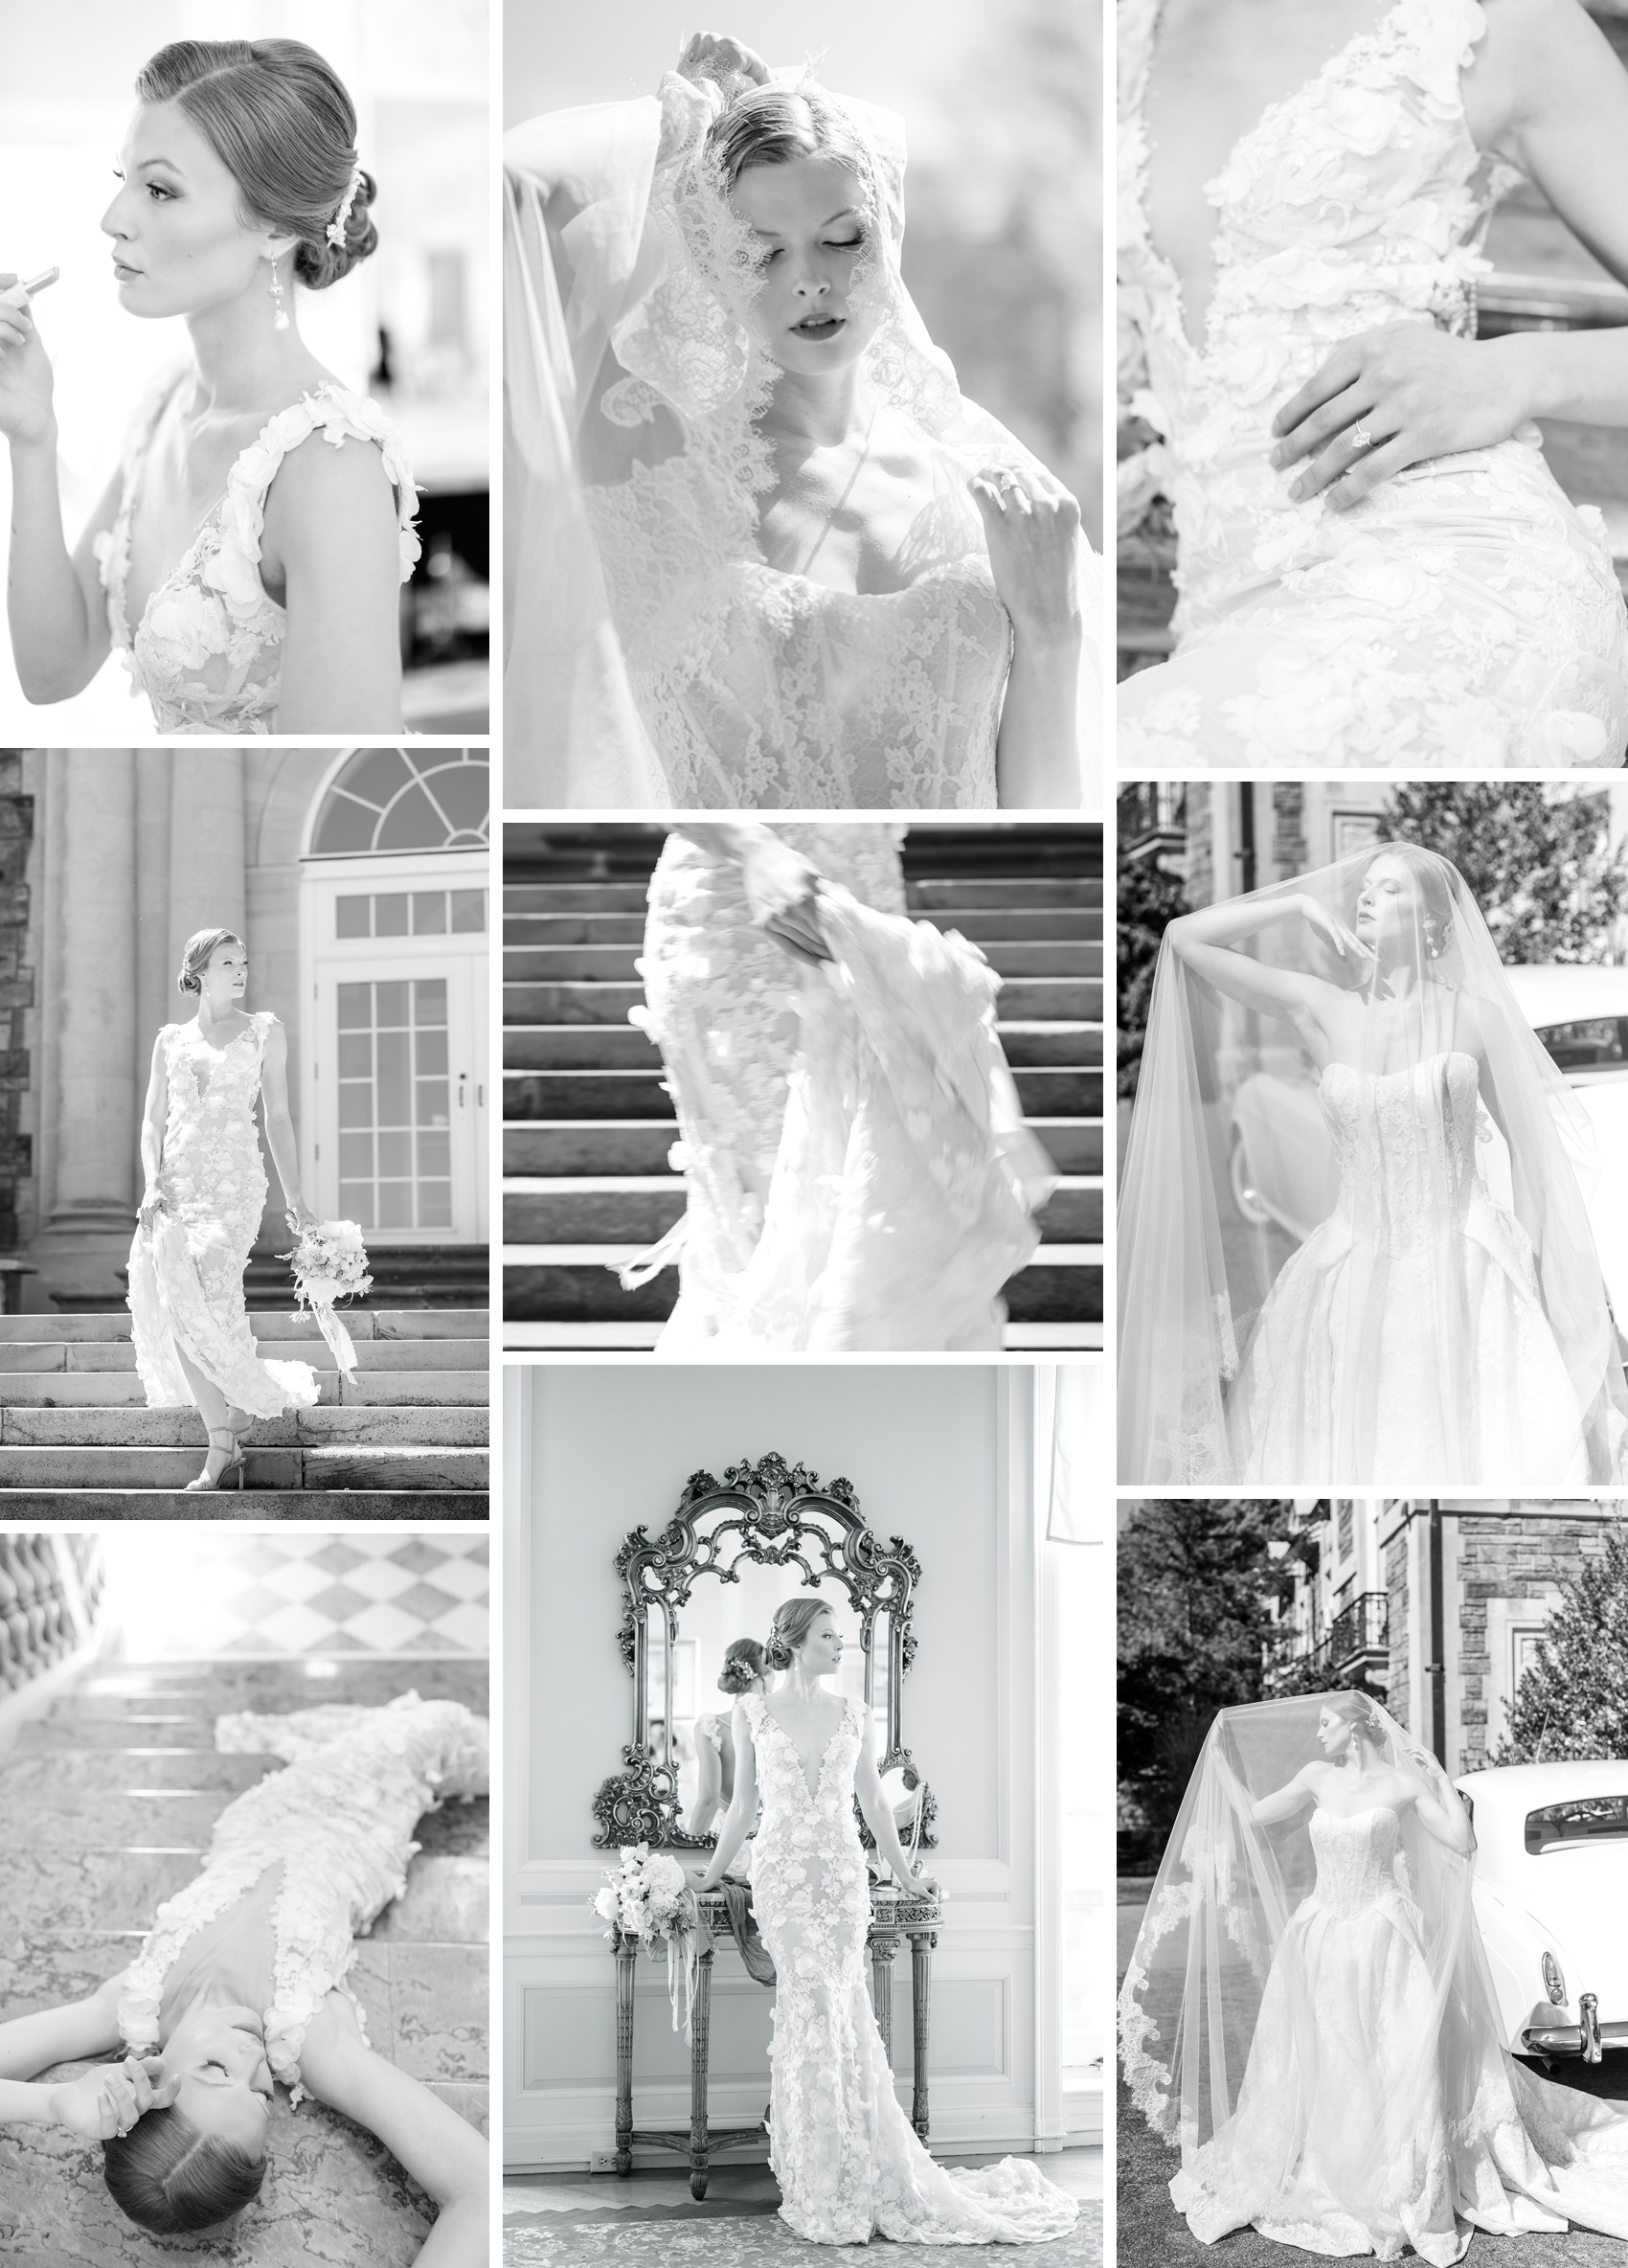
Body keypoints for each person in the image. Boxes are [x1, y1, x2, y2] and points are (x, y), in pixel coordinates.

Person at [504, 31, 1102, 809]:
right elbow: (516, 198)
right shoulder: (659, 476)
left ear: (886, 238)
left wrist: (1052, 631)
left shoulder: (983, 493)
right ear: (714, 264)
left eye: (842, 240)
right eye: (765, 253)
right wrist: (671, 132)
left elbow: (1048, 819)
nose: (811, 280)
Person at [1117, 0, 1628, 766]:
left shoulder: (1496, 22)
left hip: (1447, 581)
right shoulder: (1125, 33)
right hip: (1222, 619)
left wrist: (1513, 372)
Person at [1117, 843, 1628, 1484]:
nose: (1366, 896)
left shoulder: (1476, 1017)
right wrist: (1297, 905)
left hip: (1471, 1270)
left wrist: (1543, 1275)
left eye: (1390, 889)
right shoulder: (1321, 1007)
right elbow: (1184, 938)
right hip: (1346, 1273)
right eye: (1365, 886)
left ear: (1432, 920)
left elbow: (1531, 1156)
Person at [0, 37, 418, 734]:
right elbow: (51, 671)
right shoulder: (167, 402)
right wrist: (32, 436)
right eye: (123, 177)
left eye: (160, 190)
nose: (113, 219)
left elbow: (335, 779)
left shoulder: (330, 465)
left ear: (275, 228)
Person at [1121, 1690, 1628, 2257]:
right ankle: (1329, 2150)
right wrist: (1223, 1769)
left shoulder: (1403, 1784)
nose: (1318, 1732)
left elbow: (1462, 1841)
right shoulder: (1315, 1775)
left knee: (1394, 2048)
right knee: (1324, 2048)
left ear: (1356, 1726)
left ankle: (1396, 2162)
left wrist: (1439, 1781)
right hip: (1320, 1933)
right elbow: (1256, 1816)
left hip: (1388, 1936)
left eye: (1326, 1722)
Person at [0, 1693, 487, 2260]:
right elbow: (476, 2189)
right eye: (260, 2093)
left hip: (263, 1816)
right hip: (362, 1814)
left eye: (216, 2069)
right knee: (439, 1720)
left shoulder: (134, 2005)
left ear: (148, 2079)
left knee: (405, 1727)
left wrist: (55, 2104)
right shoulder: (313, 2044)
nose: (254, 2056)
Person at [693, 1599, 1077, 2246]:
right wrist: (711, 1875)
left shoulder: (853, 1711)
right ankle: (819, 2176)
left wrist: (903, 1874)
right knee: (808, 2012)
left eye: (839, 1635)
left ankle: (858, 2169)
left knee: (843, 2012)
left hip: (842, 1879)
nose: (838, 1644)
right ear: (795, 1642)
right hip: (783, 1876)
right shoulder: (751, 1712)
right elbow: (742, 1808)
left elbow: (872, 1800)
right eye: (827, 1635)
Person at [624, 822, 1056, 1350]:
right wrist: (752, 847)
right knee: (770, 1225)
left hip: (860, 903)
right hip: (738, 911)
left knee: (869, 1203)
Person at [127, 927, 320, 1490]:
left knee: (210, 1298)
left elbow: (278, 1118)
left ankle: (233, 1412)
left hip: (234, 1188)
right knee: (179, 1305)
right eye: (228, 963)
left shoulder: (265, 1032)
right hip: (175, 1188)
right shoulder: (170, 1041)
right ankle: (222, 1440)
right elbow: (152, 1121)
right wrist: (151, 1184)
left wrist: (296, 1199)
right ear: (200, 973)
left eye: (243, 962)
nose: (240, 971)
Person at [690, 1639, 768, 1837]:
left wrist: (686, 1846)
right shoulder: (782, 1724)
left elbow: (708, 1801)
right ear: (765, 1675)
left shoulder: (710, 1728)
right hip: (773, 1834)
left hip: (730, 1835)